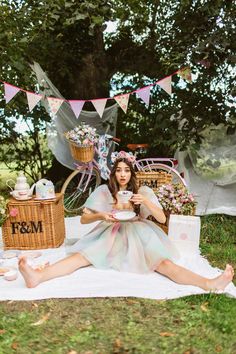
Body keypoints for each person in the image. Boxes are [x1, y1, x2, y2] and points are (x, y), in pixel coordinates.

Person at [19, 152, 234, 290]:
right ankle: (38, 276)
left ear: (132, 173)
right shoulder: (105, 191)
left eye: (127, 170)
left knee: (163, 264)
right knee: (80, 257)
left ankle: (209, 283)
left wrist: (146, 203)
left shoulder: (143, 190)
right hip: (110, 233)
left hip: (138, 234)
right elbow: (84, 219)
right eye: (118, 170)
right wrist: (101, 215)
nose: (123, 174)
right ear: (113, 173)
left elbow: (161, 218)